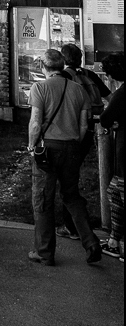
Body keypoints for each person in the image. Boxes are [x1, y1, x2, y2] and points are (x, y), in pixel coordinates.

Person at [27, 49, 102, 266]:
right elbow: (83, 125)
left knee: (43, 198)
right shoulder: (79, 90)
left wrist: (32, 145)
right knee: (71, 196)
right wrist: (74, 143)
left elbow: (35, 122)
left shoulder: (39, 87)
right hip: (71, 148)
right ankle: (90, 242)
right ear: (61, 66)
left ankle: (44, 252)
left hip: (48, 148)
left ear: (44, 67)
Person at [55, 43, 111, 241]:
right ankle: (75, 224)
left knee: (68, 180)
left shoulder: (65, 77)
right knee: (72, 175)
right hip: (89, 129)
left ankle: (72, 227)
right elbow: (108, 97)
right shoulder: (89, 74)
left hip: (71, 131)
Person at [98, 52, 124, 260]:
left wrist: (115, 121)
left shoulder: (122, 93)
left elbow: (106, 118)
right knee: (114, 192)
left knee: (118, 192)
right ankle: (115, 239)